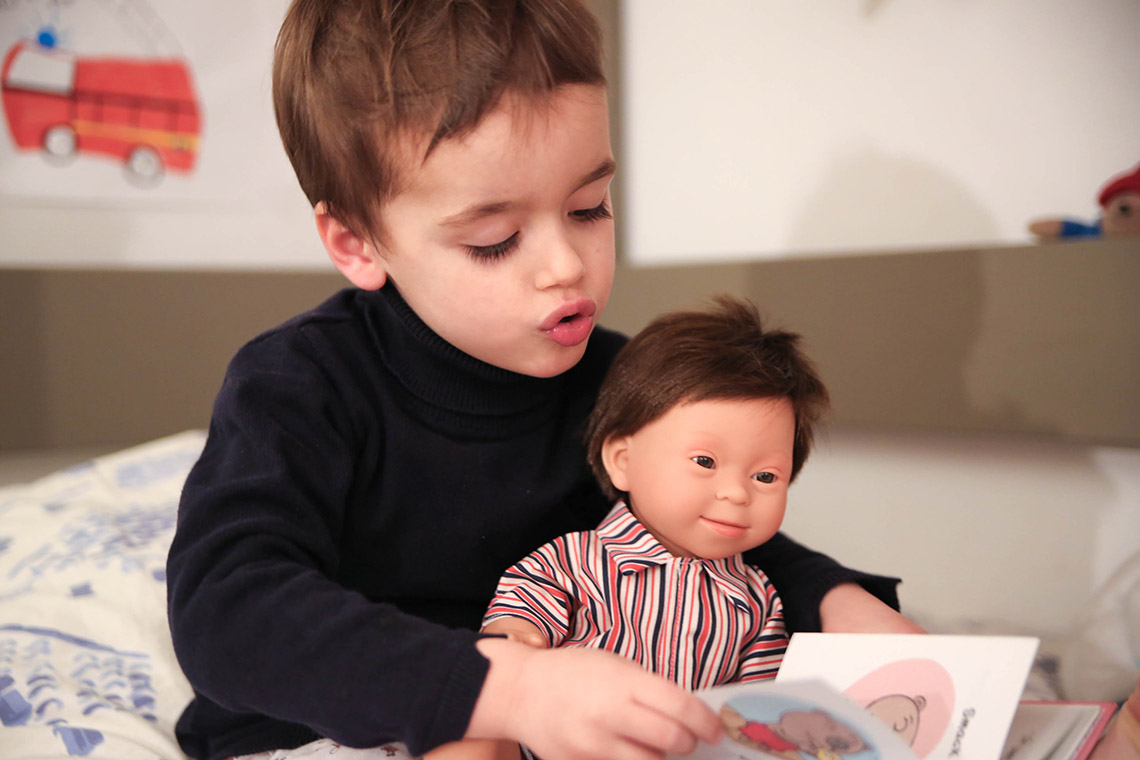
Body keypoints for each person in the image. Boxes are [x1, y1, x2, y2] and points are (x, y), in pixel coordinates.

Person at [165, 2, 922, 760]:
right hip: (320, 731)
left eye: (589, 207)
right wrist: (511, 690)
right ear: (357, 243)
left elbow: (708, 521)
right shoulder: (299, 383)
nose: (566, 266)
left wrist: (836, 599)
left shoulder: (618, 379)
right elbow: (225, 612)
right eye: (496, 242)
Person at [482, 297, 828, 691]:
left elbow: (758, 704)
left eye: (765, 476)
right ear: (623, 461)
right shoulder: (578, 561)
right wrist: (516, 631)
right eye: (705, 461)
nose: (736, 493)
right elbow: (522, 605)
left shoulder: (758, 601)